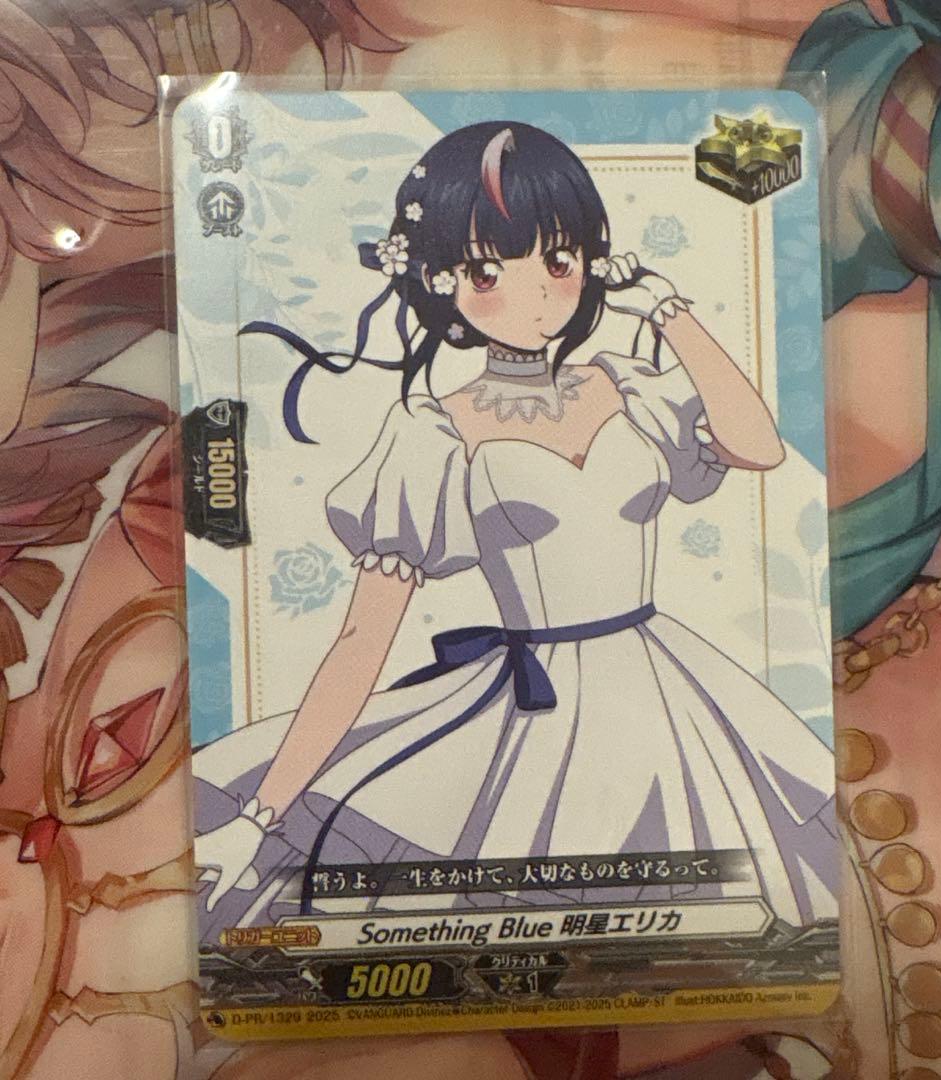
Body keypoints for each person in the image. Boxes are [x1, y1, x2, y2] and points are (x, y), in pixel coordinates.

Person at [192, 121, 837, 935]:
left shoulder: (628, 385)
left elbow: (757, 445)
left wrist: (668, 310)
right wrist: (260, 816)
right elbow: (362, 639)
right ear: (442, 280)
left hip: (668, 686)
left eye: (560, 262)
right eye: (490, 271)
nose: (536, 296)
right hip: (536, 710)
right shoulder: (436, 433)